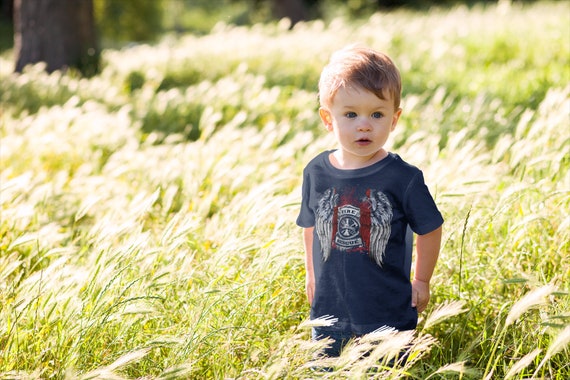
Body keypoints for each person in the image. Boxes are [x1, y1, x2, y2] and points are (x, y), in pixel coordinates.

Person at [296, 45, 444, 359]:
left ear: (394, 119)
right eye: (350, 114)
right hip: (329, 310)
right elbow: (310, 226)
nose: (364, 124)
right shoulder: (316, 172)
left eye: (377, 114)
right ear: (327, 118)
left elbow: (431, 228)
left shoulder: (403, 178)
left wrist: (422, 279)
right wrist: (311, 275)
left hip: (385, 311)